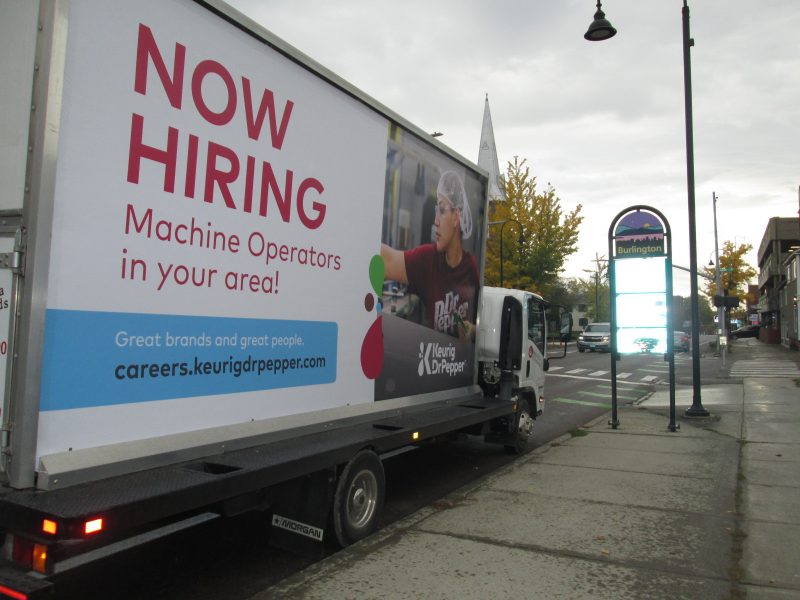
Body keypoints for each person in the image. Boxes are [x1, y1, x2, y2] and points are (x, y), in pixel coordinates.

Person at [381, 171, 479, 340]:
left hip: (457, 365)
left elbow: (479, 323)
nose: (435, 221)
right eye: (436, 211)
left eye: (441, 210)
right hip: (430, 361)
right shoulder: (428, 259)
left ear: (456, 217)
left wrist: (472, 330)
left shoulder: (470, 267)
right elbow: (386, 261)